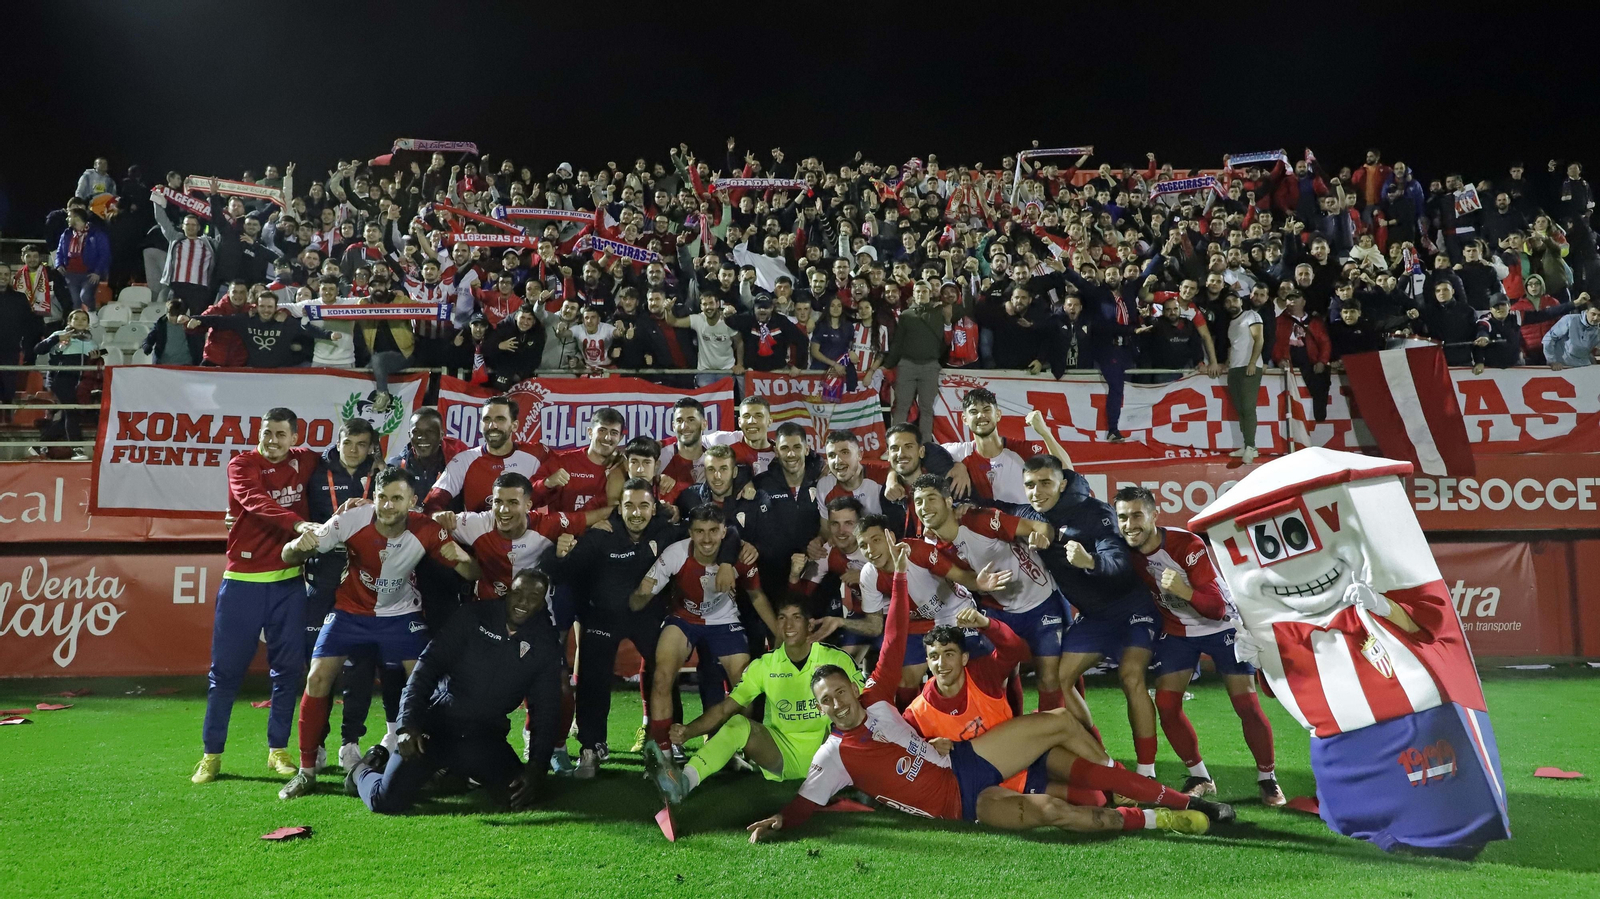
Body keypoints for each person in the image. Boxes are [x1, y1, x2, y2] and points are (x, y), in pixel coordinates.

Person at [744, 539, 1229, 841]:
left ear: (852, 687)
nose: (838, 702)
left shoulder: (875, 698)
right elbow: (805, 803)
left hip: (970, 759)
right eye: (826, 701)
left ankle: (1186, 802)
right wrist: (780, 821)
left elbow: (892, 643)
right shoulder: (833, 758)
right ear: (822, 708)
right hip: (964, 804)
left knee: (1060, 723)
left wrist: (898, 581)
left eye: (840, 691)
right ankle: (1152, 820)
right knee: (1061, 812)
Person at [278, 466, 481, 799]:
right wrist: (300, 545)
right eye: (382, 498)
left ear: (413, 501)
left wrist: (459, 559)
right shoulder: (352, 519)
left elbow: (473, 572)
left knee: (425, 684)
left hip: (401, 615)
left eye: (397, 499)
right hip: (350, 612)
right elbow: (288, 556)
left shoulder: (426, 529)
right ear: (373, 498)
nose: (388, 506)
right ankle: (307, 771)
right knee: (317, 678)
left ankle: (434, 762)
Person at [991, 454, 1163, 776]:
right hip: (1095, 618)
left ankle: (1147, 770)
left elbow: (1120, 561)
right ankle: (1096, 750)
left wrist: (1091, 562)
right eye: (1030, 485)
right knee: (1059, 678)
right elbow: (999, 508)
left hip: (1132, 609)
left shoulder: (1095, 512)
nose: (1036, 491)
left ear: (1063, 484)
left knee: (1130, 675)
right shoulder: (1031, 514)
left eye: (1045, 483)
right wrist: (957, 502)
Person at [1114, 486, 1285, 807]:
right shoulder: (1125, 550)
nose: (1129, 524)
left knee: (1245, 704)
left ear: (1154, 515)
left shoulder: (1186, 544)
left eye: (1137, 515)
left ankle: (1267, 778)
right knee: (1166, 704)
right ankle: (1201, 776)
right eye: (1122, 517)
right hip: (1178, 631)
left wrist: (1184, 590)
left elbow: (1215, 607)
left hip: (1223, 627)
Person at [349, 570, 562, 814]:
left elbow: (546, 709)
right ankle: (362, 771)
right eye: (518, 593)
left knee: (518, 796)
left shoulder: (545, 643)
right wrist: (407, 726)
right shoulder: (473, 616)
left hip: (484, 736)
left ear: (543, 602)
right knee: (385, 801)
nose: (523, 602)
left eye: (534, 596)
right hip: (435, 728)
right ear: (507, 592)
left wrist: (537, 768)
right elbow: (426, 669)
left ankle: (450, 775)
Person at [192, 408, 321, 785]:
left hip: (289, 583)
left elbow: (347, 462)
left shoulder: (307, 461)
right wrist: (298, 522)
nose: (273, 440)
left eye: (282, 434)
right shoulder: (242, 464)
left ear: (295, 438)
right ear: (259, 433)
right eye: (267, 433)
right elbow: (255, 502)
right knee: (224, 675)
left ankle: (278, 750)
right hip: (243, 582)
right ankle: (211, 755)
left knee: (286, 673)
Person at [645, 594, 864, 801]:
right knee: (738, 723)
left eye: (796, 618)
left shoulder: (835, 659)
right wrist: (688, 732)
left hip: (831, 752)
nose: (788, 626)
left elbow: (868, 703)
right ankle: (684, 782)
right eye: (782, 618)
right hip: (782, 754)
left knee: (854, 709)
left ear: (810, 625)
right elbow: (724, 709)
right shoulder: (763, 666)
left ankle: (866, 778)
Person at [911, 474, 1068, 714]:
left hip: (1041, 602)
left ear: (947, 501)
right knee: (995, 677)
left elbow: (1039, 526)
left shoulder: (979, 520)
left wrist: (1041, 537)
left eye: (931, 498)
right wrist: (979, 585)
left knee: (1050, 678)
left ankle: (1055, 741)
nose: (924, 507)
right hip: (998, 610)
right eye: (919, 502)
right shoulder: (933, 546)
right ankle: (1008, 735)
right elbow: (968, 581)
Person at [634, 505, 778, 756]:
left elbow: (757, 597)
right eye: (700, 531)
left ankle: (738, 747)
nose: (707, 538)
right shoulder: (675, 554)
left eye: (713, 531)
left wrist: (779, 634)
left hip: (724, 621)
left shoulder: (740, 556)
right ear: (690, 532)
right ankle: (664, 752)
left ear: (724, 531)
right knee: (661, 677)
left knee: (746, 686)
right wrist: (637, 595)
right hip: (683, 620)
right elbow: (639, 599)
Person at [300, 419, 399, 772]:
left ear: (371, 446)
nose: (353, 450)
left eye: (361, 444)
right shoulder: (317, 471)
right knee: (317, 668)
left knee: (360, 667)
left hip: (363, 577)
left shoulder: (383, 478)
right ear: (338, 442)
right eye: (348, 443)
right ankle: (316, 743)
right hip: (324, 576)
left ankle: (350, 743)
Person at [424, 395, 547, 513]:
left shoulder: (536, 454)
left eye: (500, 419)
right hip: (478, 533)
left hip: (525, 533)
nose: (492, 426)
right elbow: (434, 500)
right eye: (487, 419)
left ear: (514, 426)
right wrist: (437, 514)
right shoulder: (464, 460)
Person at [32, 308, 99, 458]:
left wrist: (97, 356)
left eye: (84, 319)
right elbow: (38, 349)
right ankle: (77, 449)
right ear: (69, 322)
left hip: (79, 383)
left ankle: (39, 445)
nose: (80, 322)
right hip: (60, 380)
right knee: (72, 412)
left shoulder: (91, 341)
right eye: (76, 319)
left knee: (68, 416)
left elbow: (98, 357)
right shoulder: (59, 335)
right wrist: (56, 339)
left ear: (88, 324)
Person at [885, 279, 946, 443]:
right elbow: (898, 342)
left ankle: (926, 445)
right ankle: (895, 443)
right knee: (901, 407)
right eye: (918, 292)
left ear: (930, 293)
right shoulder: (906, 315)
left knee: (927, 409)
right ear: (913, 294)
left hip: (930, 366)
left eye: (924, 291)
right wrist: (888, 364)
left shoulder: (939, 312)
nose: (921, 294)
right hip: (907, 365)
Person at [1222, 291, 1264, 462]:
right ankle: (1247, 444)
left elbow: (1259, 339)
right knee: (1240, 408)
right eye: (1228, 301)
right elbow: (1234, 345)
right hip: (1235, 368)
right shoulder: (1232, 323)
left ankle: (1251, 447)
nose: (1231, 303)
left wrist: (1253, 362)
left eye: (1234, 300)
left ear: (1241, 301)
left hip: (1249, 366)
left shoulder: (1251, 315)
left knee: (1248, 407)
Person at [54, 210, 111, 311]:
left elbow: (104, 254)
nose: (67, 219)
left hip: (89, 274)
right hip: (71, 274)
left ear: (77, 218)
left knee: (85, 296)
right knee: (75, 301)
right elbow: (59, 252)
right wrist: (59, 264)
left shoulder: (96, 234)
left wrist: (97, 272)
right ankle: (76, 324)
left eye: (69, 216)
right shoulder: (67, 234)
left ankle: (92, 317)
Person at [1543, 303, 1600, 370]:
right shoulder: (1570, 320)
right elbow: (1548, 338)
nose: (1596, 318)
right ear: (1586, 312)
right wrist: (1552, 361)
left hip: (1583, 368)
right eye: (1593, 314)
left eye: (1599, 315)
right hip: (1562, 367)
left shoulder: (1598, 330)